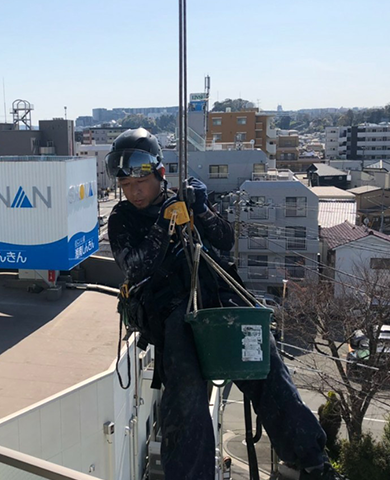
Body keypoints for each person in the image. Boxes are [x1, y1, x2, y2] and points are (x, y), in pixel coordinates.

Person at [107, 128, 345, 480]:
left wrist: (201, 209)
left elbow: (223, 241)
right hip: (172, 314)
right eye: (126, 187)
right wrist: (165, 223)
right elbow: (137, 265)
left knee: (266, 366)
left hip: (219, 300)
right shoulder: (122, 219)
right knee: (185, 395)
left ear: (158, 174)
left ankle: (310, 461)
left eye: (138, 184)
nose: (133, 193)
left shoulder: (183, 201)